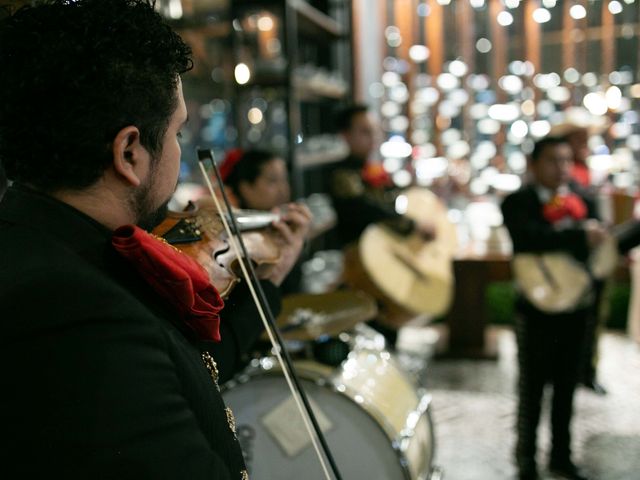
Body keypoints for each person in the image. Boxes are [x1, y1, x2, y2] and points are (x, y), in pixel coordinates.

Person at [0, 1, 307, 478]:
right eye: (179, 130)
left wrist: (269, 280)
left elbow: (181, 371)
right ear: (129, 152)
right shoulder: (78, 311)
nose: (180, 151)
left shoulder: (54, 252)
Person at [501, 136, 606, 480]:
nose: (561, 168)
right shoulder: (519, 201)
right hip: (535, 310)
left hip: (575, 308)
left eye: (565, 160)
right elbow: (527, 239)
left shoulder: (584, 200)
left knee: (566, 387)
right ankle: (526, 459)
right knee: (531, 388)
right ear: (534, 165)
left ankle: (561, 456)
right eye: (552, 160)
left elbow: (596, 253)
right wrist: (578, 235)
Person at [220, 148, 311, 295]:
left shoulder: (281, 227)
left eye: (284, 179)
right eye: (273, 181)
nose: (284, 190)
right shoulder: (236, 240)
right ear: (246, 188)